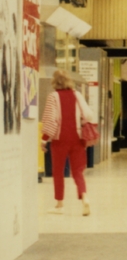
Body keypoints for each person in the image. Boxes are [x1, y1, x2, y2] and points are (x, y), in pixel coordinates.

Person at [40, 69, 96, 216]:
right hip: (77, 139)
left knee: (58, 171)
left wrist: (44, 139)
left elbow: (51, 120)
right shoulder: (77, 95)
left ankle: (59, 205)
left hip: (60, 140)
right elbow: (89, 115)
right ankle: (84, 197)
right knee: (77, 171)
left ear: (54, 82)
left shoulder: (53, 97)